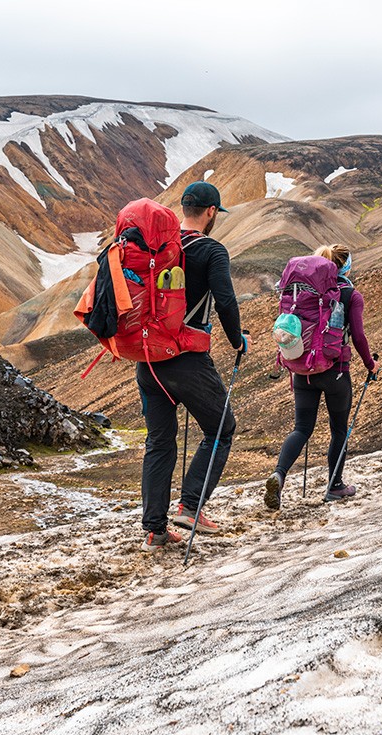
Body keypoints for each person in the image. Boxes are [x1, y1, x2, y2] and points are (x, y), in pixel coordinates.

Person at [138, 181, 250, 548]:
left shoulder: (156, 247)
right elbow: (226, 301)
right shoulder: (211, 250)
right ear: (211, 212)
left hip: (148, 360)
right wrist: (237, 340)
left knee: (159, 441)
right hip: (185, 359)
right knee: (222, 428)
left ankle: (155, 531)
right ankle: (190, 506)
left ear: (183, 208)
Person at [265, 244, 376, 510]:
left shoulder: (303, 293)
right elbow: (358, 336)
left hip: (303, 368)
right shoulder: (350, 295)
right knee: (338, 430)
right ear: (345, 266)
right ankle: (335, 486)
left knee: (302, 429)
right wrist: (370, 364)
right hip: (335, 370)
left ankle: (279, 474)